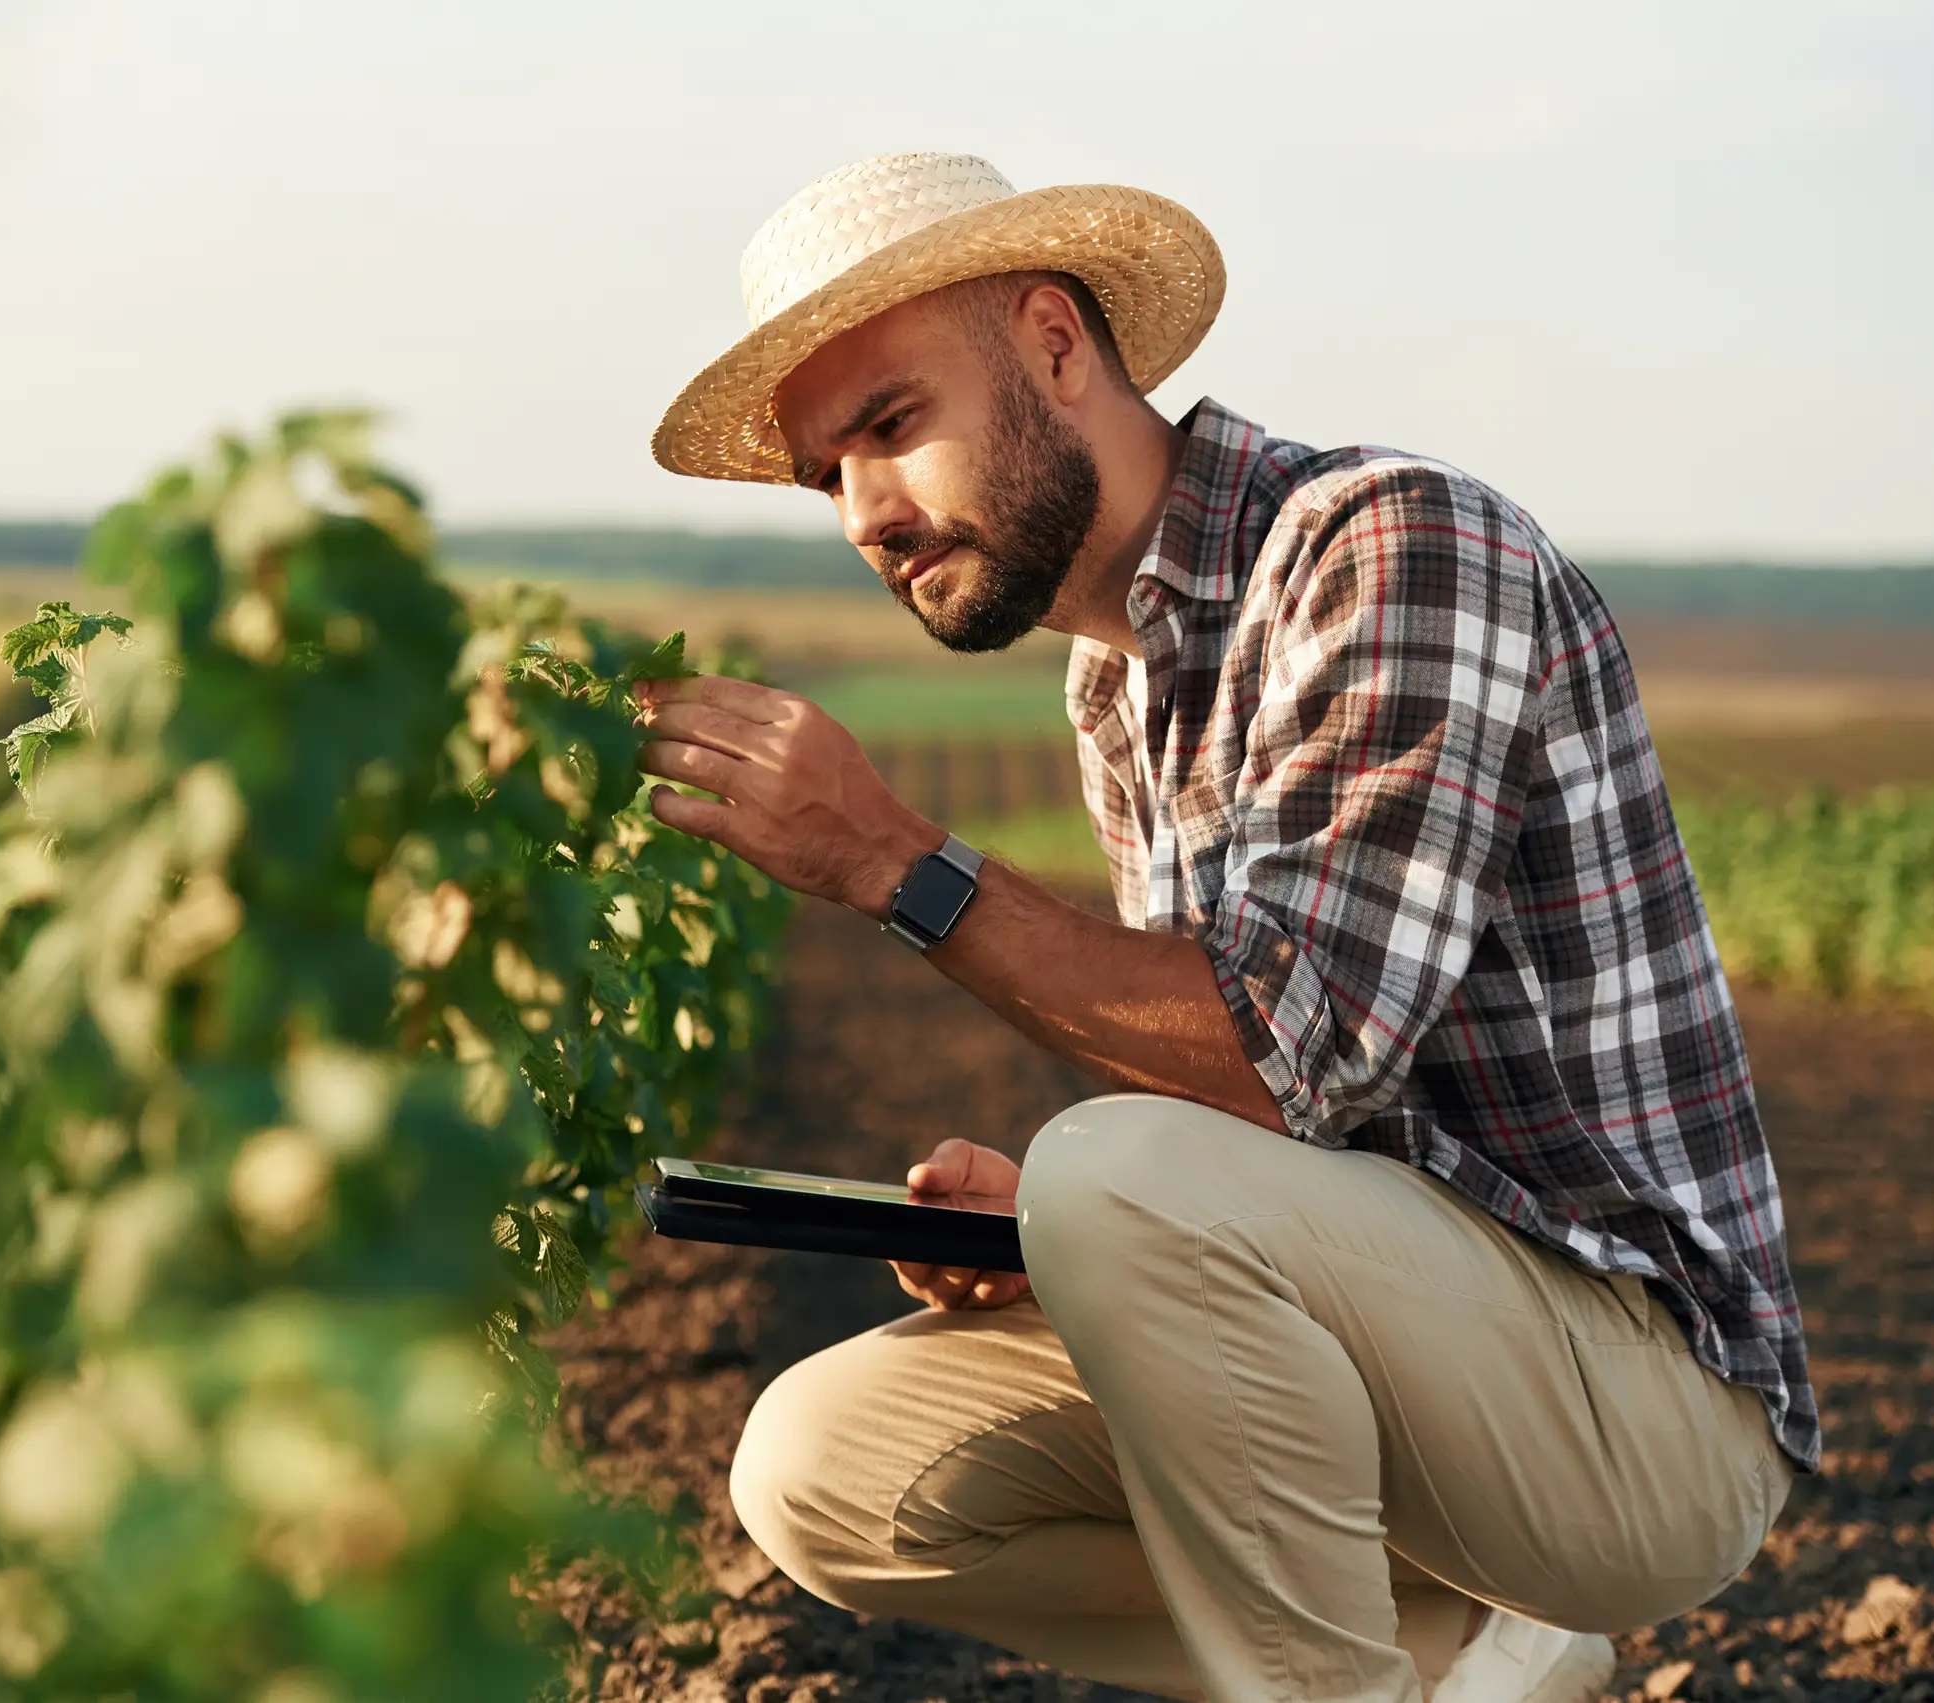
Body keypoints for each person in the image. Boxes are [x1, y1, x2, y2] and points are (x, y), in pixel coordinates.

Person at [632, 153, 1812, 1703]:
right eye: (824, 476)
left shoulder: (1387, 547)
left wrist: (892, 859)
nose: (863, 513)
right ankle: (1471, 1656)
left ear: (1055, 342)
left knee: (1117, 1173)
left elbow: (1283, 1057)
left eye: (890, 426)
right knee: (820, 1462)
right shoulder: (1120, 683)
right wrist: (1063, 1239)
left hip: (1639, 1407)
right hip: (1426, 1364)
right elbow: (1269, 1127)